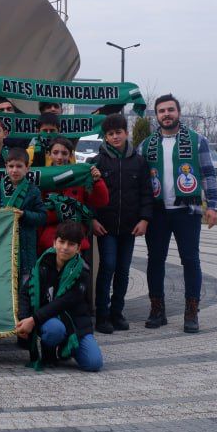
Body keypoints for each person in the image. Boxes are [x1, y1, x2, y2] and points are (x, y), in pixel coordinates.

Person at [140, 94, 217, 334]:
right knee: (155, 260)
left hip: (187, 210)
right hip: (157, 212)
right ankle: (157, 309)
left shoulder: (197, 141)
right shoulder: (146, 145)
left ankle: (191, 311)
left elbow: (208, 173)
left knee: (190, 260)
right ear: (156, 115)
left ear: (179, 113)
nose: (166, 114)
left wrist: (213, 205)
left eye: (170, 110)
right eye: (161, 111)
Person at [91, 113, 153, 333]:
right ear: (105, 137)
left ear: (126, 133)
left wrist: (145, 219)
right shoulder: (96, 162)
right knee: (107, 267)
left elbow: (146, 193)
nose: (115, 137)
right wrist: (92, 219)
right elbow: (88, 194)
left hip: (129, 227)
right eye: (110, 134)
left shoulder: (138, 162)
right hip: (105, 227)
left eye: (118, 132)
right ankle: (102, 315)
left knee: (123, 270)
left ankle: (117, 312)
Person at [15, 220, 102, 372]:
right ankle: (49, 353)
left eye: (71, 244)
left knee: (93, 363)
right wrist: (23, 319)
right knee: (54, 329)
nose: (65, 248)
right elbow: (25, 292)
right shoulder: (43, 263)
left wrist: (33, 320)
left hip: (75, 324)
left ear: (78, 248)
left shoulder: (82, 271)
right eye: (61, 242)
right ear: (54, 243)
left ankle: (67, 347)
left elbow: (63, 302)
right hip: (50, 321)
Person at [0, 148, 47, 280]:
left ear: (27, 168)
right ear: (5, 167)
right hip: (2, 244)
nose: (14, 170)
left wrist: (24, 214)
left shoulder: (33, 191)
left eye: (19, 166)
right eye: (11, 166)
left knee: (25, 286)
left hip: (26, 246)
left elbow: (42, 217)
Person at [38, 137, 107, 256]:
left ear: (71, 155)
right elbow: (39, 211)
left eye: (64, 153)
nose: (59, 157)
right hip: (50, 240)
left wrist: (97, 181)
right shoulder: (42, 178)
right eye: (55, 152)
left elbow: (100, 201)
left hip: (76, 237)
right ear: (49, 155)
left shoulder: (80, 175)